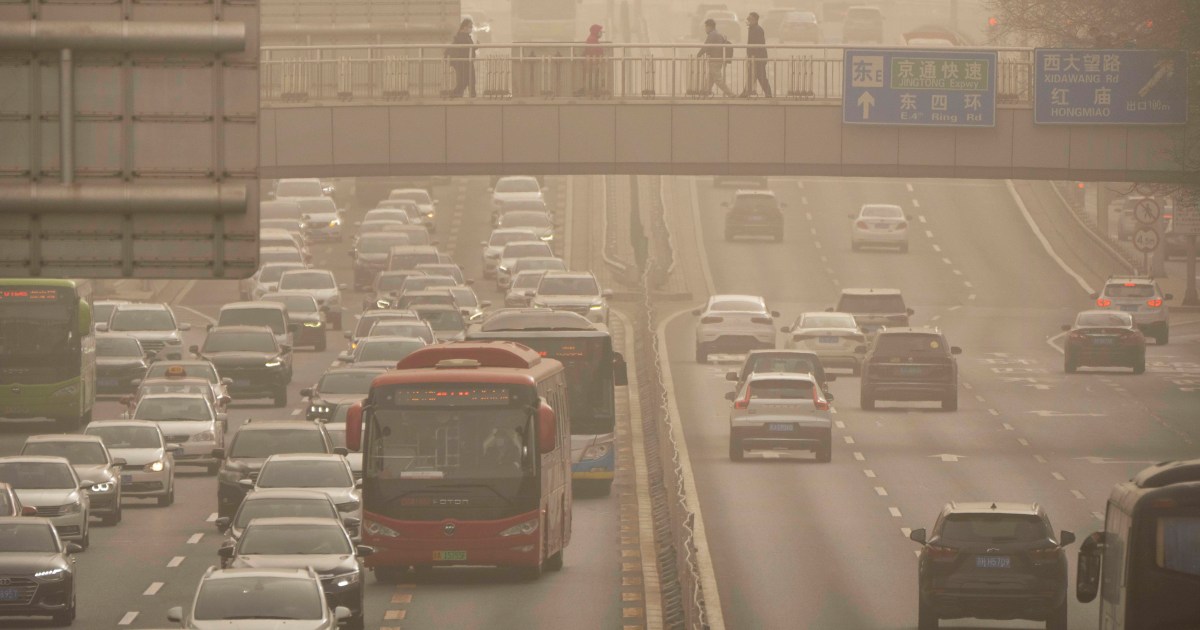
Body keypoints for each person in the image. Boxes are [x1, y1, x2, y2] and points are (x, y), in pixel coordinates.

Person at [697, 18, 734, 97]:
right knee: (711, 77)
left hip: (715, 60)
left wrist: (698, 55)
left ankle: (730, 94)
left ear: (709, 27)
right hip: (717, 59)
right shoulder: (718, 34)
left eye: (706, 27)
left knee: (718, 79)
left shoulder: (712, 35)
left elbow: (705, 47)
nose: (705, 29)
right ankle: (705, 92)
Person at [741, 12, 772, 97]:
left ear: (755, 20)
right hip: (754, 58)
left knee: (760, 76)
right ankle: (746, 92)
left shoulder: (757, 29)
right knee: (753, 75)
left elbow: (758, 45)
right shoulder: (752, 28)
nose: (747, 20)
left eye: (749, 19)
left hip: (758, 58)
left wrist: (754, 57)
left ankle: (768, 94)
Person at [447, 18, 476, 97]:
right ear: (465, 27)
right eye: (470, 26)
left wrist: (475, 46)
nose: (471, 28)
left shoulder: (464, 36)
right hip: (464, 62)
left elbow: (469, 47)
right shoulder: (461, 37)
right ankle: (455, 94)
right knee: (465, 81)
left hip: (467, 61)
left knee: (470, 80)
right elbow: (466, 48)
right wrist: (475, 46)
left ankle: (468, 95)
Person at [583, 24, 605, 97]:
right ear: (596, 31)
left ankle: (594, 92)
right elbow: (594, 52)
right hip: (593, 63)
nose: (601, 33)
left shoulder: (592, 39)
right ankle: (594, 93)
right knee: (594, 78)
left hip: (593, 62)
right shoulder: (592, 40)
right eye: (600, 31)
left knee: (594, 78)